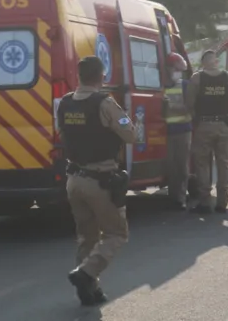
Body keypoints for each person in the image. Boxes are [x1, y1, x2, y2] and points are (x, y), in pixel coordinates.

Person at [58, 56, 137, 306]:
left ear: (78, 76)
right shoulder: (105, 103)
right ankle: (86, 273)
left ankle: (88, 291)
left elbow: (62, 133)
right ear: (102, 76)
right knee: (117, 233)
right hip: (99, 180)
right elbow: (131, 135)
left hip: (74, 179)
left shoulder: (65, 103)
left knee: (86, 236)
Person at [185, 49, 228, 214]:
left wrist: (196, 116)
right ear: (215, 61)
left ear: (203, 63)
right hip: (223, 125)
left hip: (204, 126)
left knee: (202, 163)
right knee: (223, 163)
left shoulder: (197, 78)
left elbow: (189, 102)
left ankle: (204, 201)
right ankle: (222, 201)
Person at [163, 53, 193, 211]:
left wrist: (172, 107)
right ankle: (172, 197)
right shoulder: (159, 86)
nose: (178, 73)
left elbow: (191, 107)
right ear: (168, 69)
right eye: (176, 69)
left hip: (183, 130)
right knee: (170, 166)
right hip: (166, 132)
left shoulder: (185, 85)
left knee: (182, 167)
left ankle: (180, 198)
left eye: (180, 70)